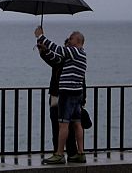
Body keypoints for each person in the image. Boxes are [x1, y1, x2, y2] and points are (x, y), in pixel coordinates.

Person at [34, 26, 87, 164]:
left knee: (62, 124)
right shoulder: (81, 54)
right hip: (76, 94)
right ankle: (80, 153)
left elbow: (58, 50)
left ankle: (59, 154)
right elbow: (57, 59)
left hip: (67, 93)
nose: (69, 40)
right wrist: (44, 51)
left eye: (71, 38)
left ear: (78, 40)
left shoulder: (74, 52)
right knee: (77, 123)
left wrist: (41, 36)